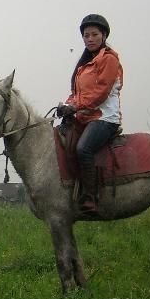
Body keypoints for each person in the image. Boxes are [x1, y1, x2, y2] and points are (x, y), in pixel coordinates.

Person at [57, 14, 124, 214]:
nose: (90, 38)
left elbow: (101, 92)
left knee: (83, 148)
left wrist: (76, 107)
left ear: (103, 36)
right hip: (84, 117)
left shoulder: (109, 59)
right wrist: (66, 105)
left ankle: (91, 198)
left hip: (104, 117)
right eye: (86, 35)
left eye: (94, 34)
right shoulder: (83, 65)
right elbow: (76, 94)